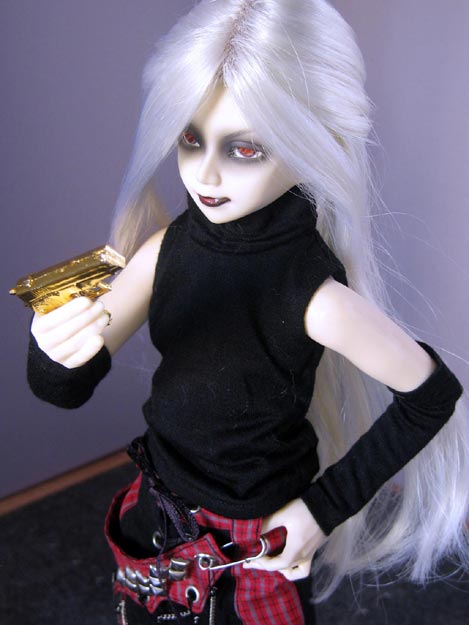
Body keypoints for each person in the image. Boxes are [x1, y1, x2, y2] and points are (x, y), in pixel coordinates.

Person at [26, 1, 468, 623]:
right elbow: (65, 388)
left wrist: (322, 508)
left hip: (251, 545)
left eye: (245, 149)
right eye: (190, 139)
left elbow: (431, 395)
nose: (205, 174)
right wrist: (52, 349)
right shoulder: (169, 250)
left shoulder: (311, 295)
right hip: (156, 512)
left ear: (311, 143)